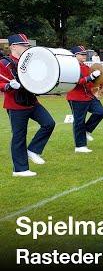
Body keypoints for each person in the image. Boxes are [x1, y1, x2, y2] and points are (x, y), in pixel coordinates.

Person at [0, 34, 56, 177]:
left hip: (32, 101)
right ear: (13, 46)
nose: (26, 47)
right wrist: (8, 85)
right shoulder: (4, 63)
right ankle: (20, 169)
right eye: (23, 45)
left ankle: (33, 150)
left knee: (49, 123)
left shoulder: (30, 62)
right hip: (15, 104)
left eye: (27, 45)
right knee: (19, 136)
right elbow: (1, 83)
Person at [66, 45, 103, 153]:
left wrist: (98, 84)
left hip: (89, 96)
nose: (84, 56)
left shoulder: (86, 67)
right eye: (82, 54)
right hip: (76, 97)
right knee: (79, 121)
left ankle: (87, 130)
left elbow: (91, 82)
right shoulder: (71, 68)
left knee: (100, 112)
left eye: (85, 54)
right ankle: (80, 146)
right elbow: (77, 82)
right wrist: (90, 77)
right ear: (75, 55)